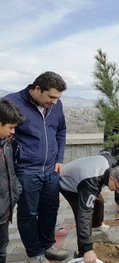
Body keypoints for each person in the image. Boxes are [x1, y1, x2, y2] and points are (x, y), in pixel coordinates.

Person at [6, 72, 69, 262]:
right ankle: (34, 253)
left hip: (51, 169)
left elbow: (61, 131)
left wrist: (59, 158)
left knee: (50, 209)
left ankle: (48, 246)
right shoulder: (11, 103)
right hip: (26, 170)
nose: (54, 102)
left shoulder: (56, 106)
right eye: (51, 97)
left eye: (58, 98)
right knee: (28, 214)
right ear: (37, 89)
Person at [60, 152, 119, 263]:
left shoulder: (113, 165)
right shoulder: (91, 183)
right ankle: (83, 254)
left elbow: (106, 152)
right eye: (117, 188)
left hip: (83, 175)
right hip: (68, 183)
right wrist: (88, 248)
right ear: (111, 178)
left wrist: (117, 150)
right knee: (81, 214)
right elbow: (84, 216)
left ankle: (97, 224)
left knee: (99, 200)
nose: (118, 191)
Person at [0, 98, 25, 263]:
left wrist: (16, 189)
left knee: (2, 250)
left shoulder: (6, 144)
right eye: (11, 127)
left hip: (4, 210)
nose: (13, 132)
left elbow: (10, 172)